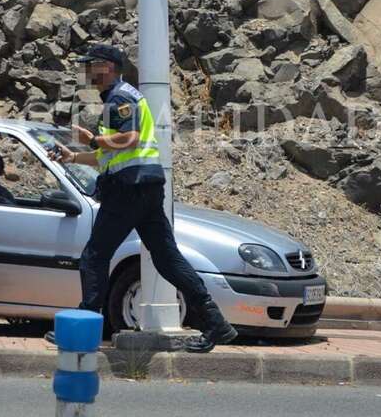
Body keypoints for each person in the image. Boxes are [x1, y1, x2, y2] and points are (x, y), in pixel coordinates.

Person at [45, 44, 237, 353]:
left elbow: (129, 139)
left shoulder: (120, 97)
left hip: (128, 190)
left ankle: (84, 328)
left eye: (90, 65)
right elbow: (113, 154)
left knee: (94, 257)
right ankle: (216, 323)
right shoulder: (121, 96)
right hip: (143, 189)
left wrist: (92, 138)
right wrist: (74, 157)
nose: (87, 72)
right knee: (166, 259)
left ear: (106, 67)